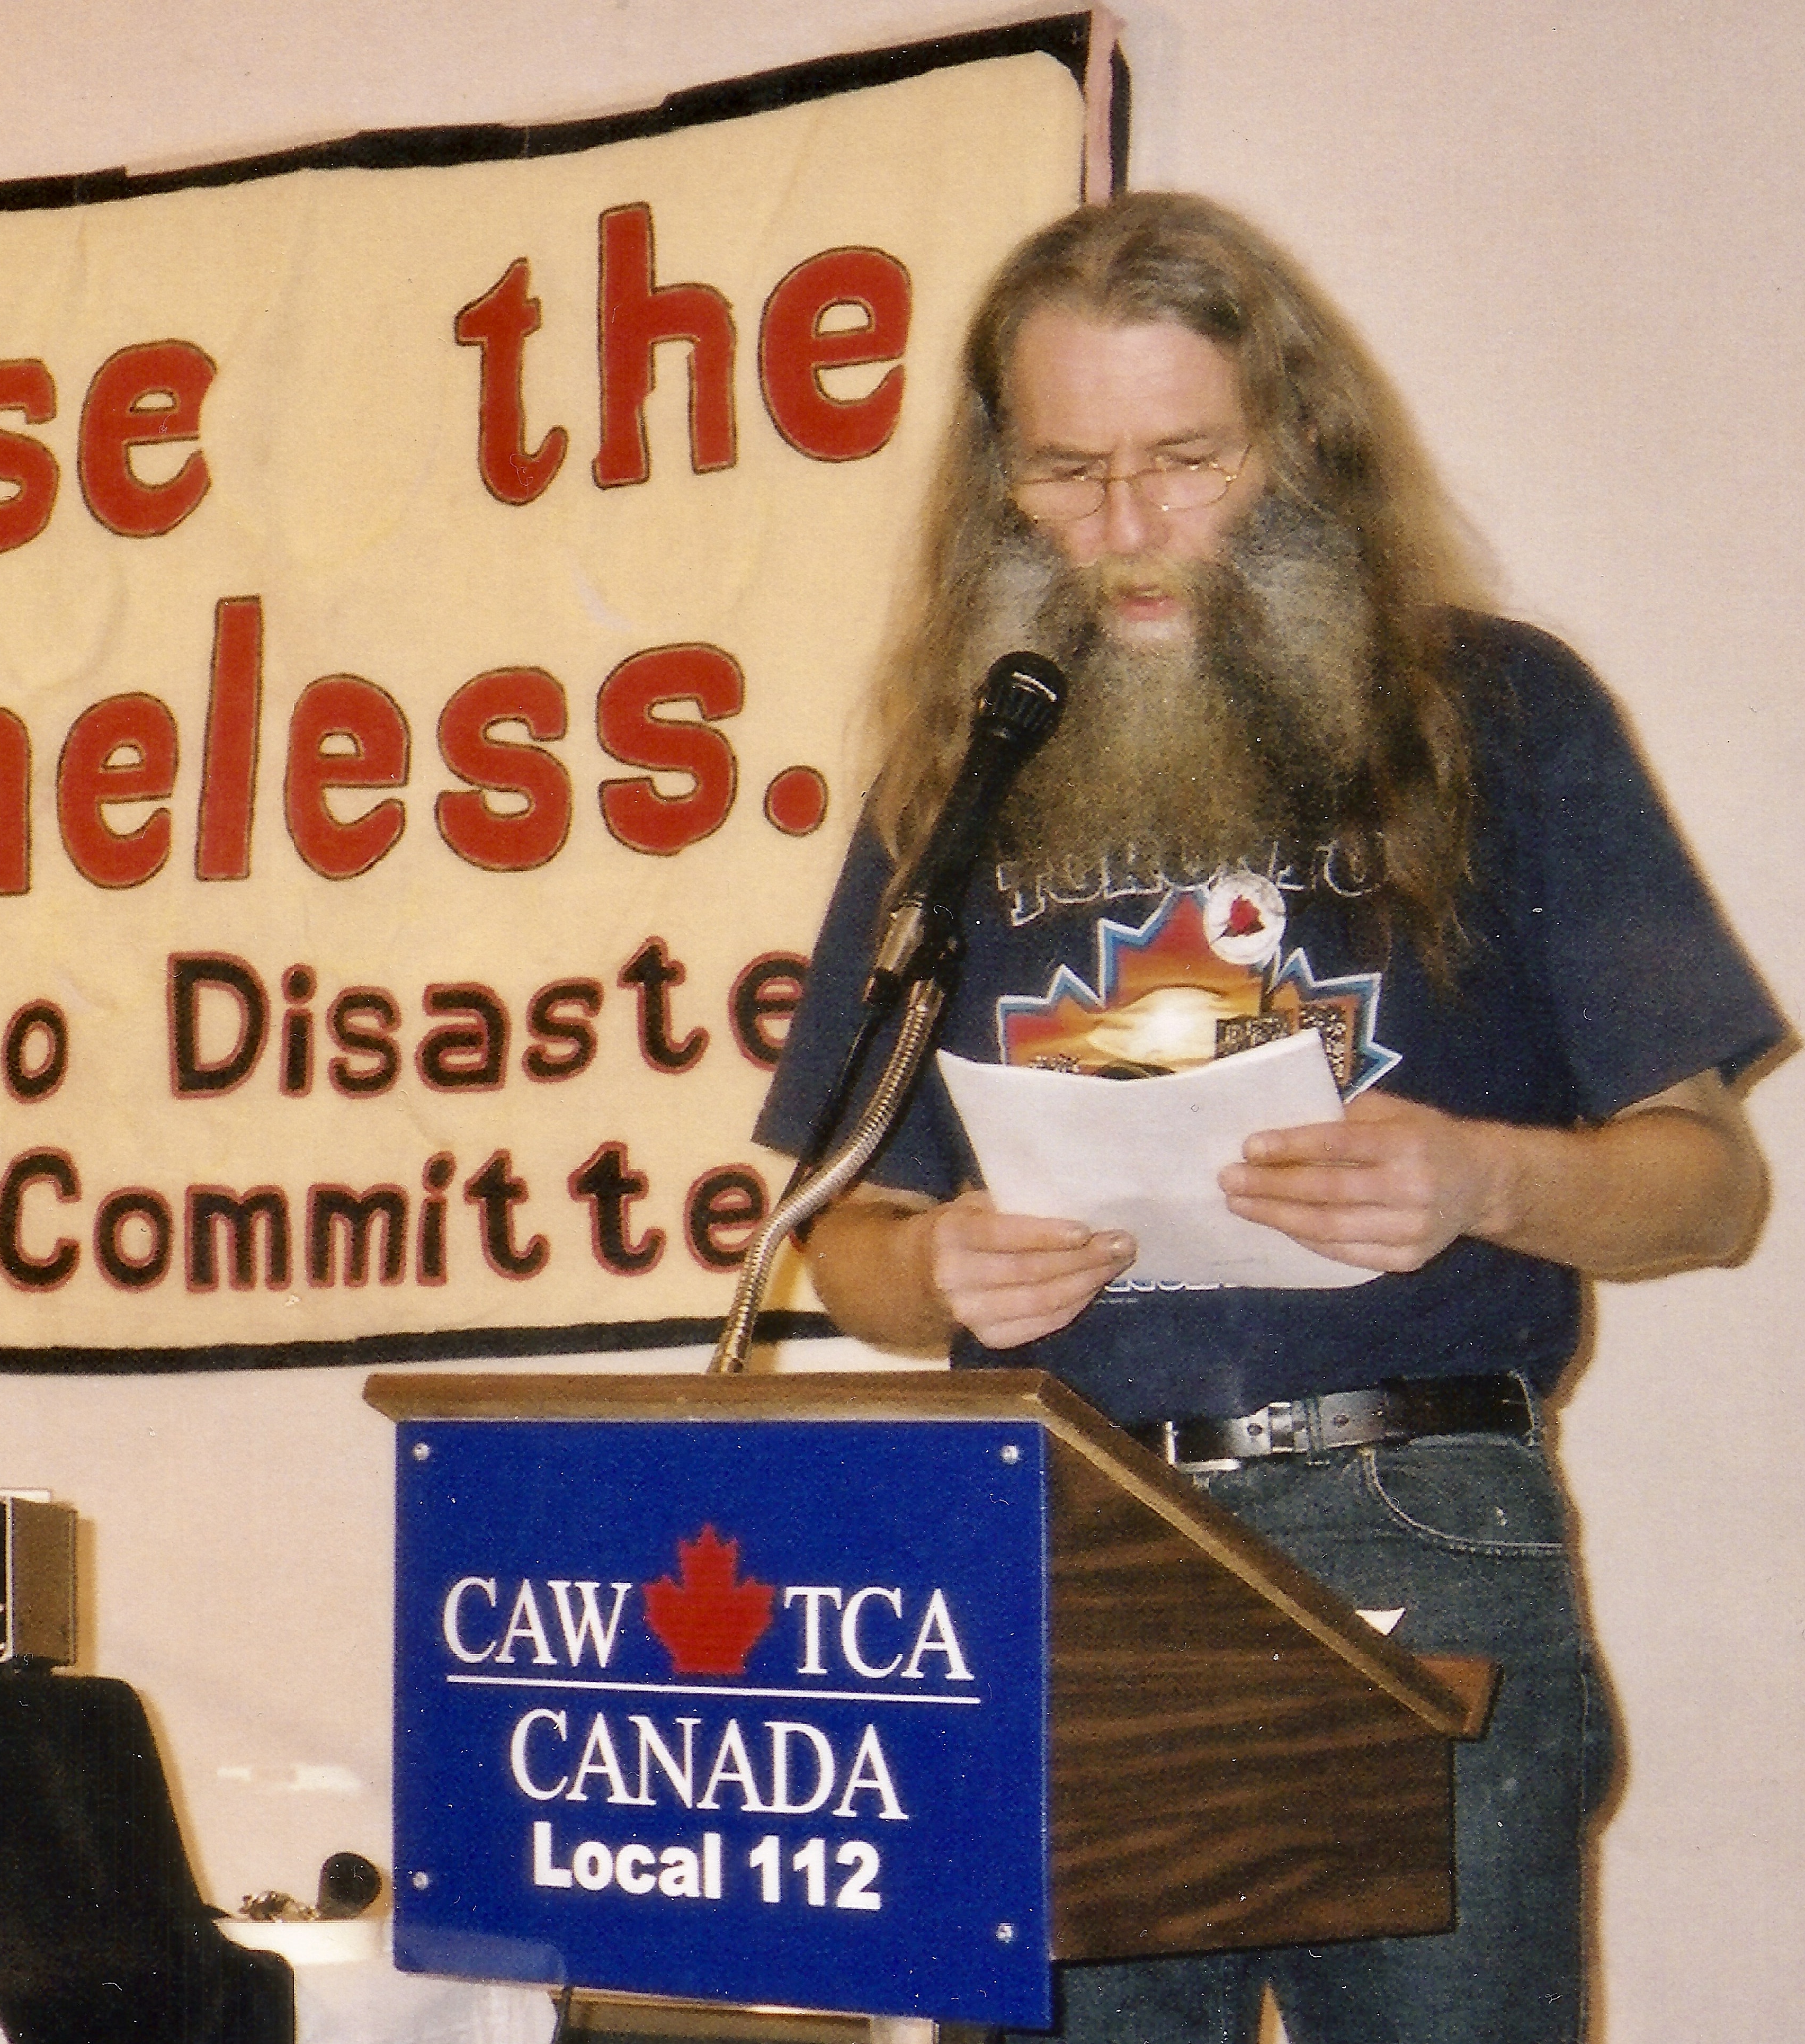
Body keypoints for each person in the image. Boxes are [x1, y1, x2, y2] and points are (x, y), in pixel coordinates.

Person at [753, 191, 1784, 2044]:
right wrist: (941, 1269)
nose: (1129, 531)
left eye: (1185, 461)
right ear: (999, 479)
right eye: (1067, 473)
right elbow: (836, 1243)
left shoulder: (1504, 712)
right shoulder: (956, 771)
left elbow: (1709, 1191)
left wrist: (1483, 1173)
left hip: (1414, 1516)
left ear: (1296, 440)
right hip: (1057, 1535)